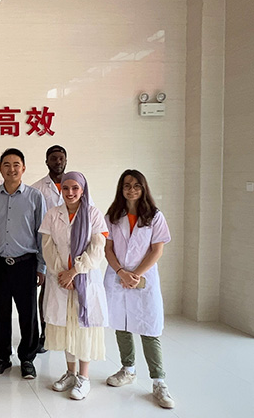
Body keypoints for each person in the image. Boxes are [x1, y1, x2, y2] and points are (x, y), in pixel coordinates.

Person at [104, 170, 175, 409]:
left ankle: (159, 381)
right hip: (118, 276)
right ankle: (128, 369)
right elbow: (108, 249)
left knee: (149, 328)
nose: (131, 189)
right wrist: (121, 272)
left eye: (136, 185)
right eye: (127, 185)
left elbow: (157, 250)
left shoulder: (154, 216)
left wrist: (135, 275)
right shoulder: (113, 215)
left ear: (143, 188)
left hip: (144, 278)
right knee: (121, 324)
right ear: (121, 188)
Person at [39, 172, 109, 400]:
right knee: (66, 326)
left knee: (83, 327)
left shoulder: (93, 214)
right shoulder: (53, 214)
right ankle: (70, 373)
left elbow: (97, 248)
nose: (70, 193)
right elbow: (47, 247)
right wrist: (62, 274)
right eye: (66, 188)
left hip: (84, 279)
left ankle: (84, 378)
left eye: (75, 188)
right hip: (60, 280)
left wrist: (74, 272)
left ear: (83, 189)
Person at [0, 148, 46, 380]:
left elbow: (42, 234)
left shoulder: (35, 196)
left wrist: (41, 266)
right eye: (7, 164)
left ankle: (27, 358)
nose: (11, 169)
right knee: (0, 312)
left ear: (23, 168)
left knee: (28, 314)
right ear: (0, 168)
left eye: (16, 164)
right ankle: (2, 357)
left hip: (25, 264)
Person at [31, 145, 68, 354]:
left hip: (71, 249)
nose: (58, 162)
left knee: (71, 292)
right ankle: (44, 334)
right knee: (46, 292)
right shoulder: (37, 189)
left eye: (61, 158)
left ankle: (67, 333)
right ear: (46, 161)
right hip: (47, 247)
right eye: (53, 158)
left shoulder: (75, 186)